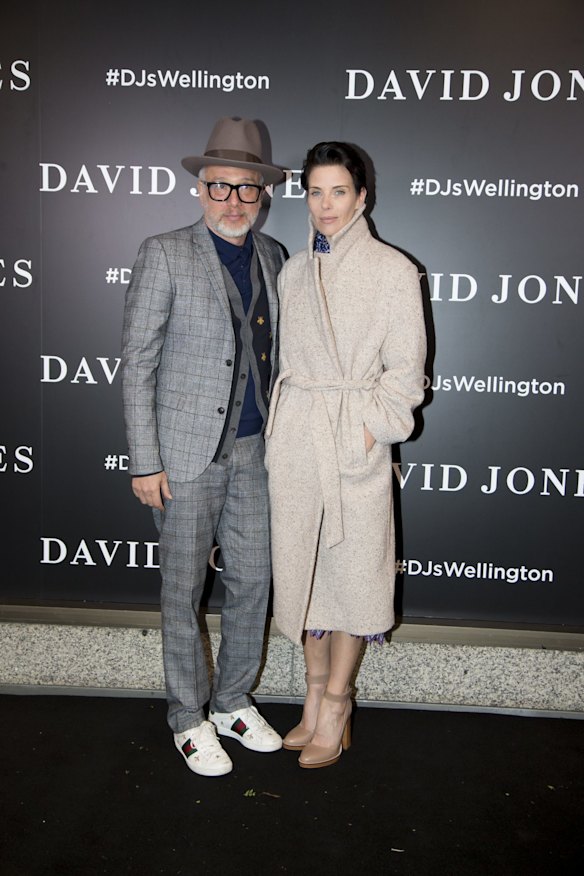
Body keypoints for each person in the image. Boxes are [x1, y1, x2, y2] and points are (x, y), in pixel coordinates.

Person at [121, 117, 286, 777]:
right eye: (220, 187)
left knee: (253, 582)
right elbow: (138, 362)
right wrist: (145, 459)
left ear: (263, 195)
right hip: (183, 457)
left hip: (255, 454)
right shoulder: (163, 252)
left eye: (247, 190)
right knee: (183, 591)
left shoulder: (274, 256)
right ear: (200, 189)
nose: (233, 202)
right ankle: (188, 717)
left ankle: (233, 701)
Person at [265, 142, 426, 769]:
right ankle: (309, 701)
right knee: (303, 575)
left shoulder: (392, 269)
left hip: (352, 440)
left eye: (339, 191)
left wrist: (369, 430)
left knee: (354, 579)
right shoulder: (293, 271)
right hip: (299, 436)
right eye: (315, 191)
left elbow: (407, 373)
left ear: (363, 197)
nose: (326, 205)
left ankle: (337, 705)